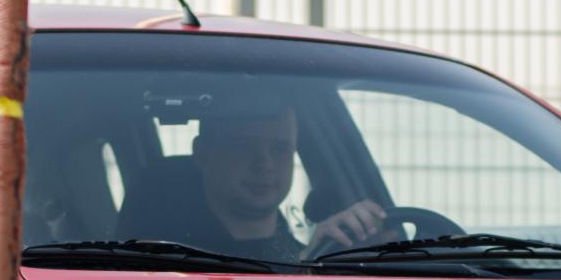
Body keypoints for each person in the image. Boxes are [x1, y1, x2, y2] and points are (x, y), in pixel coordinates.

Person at [133, 99, 392, 261]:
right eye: (242, 146)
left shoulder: (309, 248)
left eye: (280, 149)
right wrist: (305, 263)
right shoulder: (167, 261)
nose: (264, 164)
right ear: (203, 154)